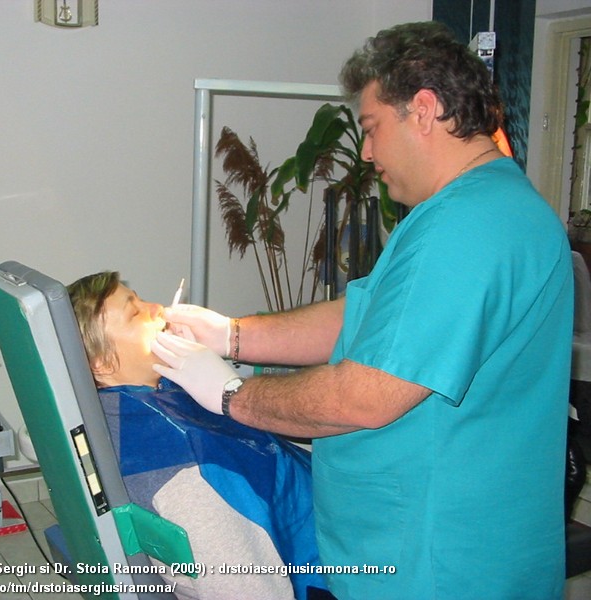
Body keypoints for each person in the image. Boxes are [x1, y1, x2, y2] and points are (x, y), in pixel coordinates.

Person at [152, 21, 574, 600]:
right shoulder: (469, 209)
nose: (367, 152)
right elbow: (363, 320)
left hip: (438, 566)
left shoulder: (470, 226)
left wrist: (231, 396)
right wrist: (232, 334)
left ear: (423, 110)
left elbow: (365, 396)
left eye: (372, 128)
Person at [67, 271, 327, 600]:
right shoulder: (187, 478)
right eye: (135, 312)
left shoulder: (123, 406)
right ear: (101, 364)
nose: (157, 308)